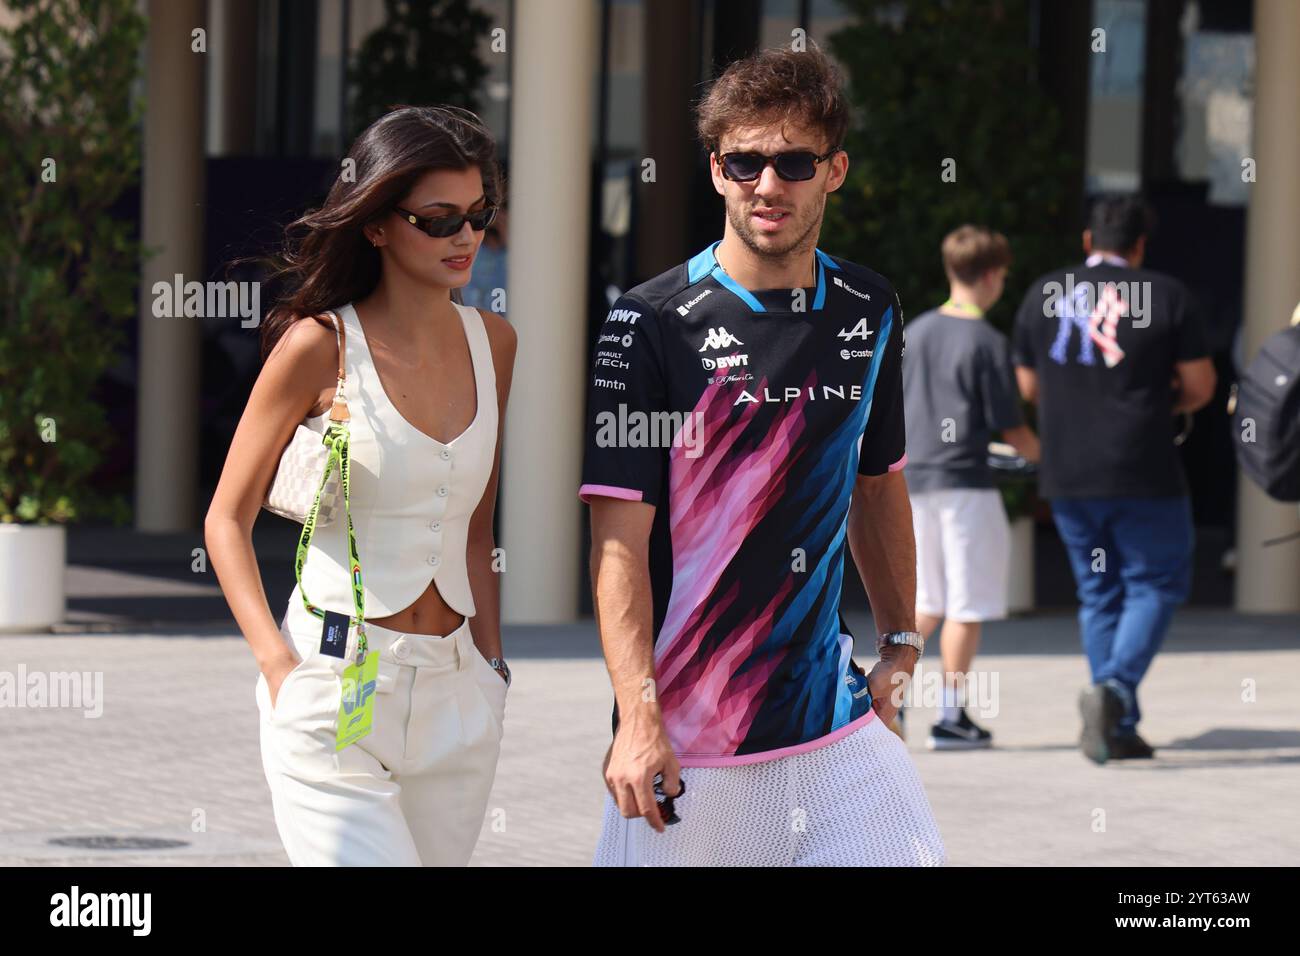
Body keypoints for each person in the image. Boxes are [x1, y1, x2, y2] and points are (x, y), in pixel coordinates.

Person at [579, 46, 945, 866]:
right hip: (687, 746)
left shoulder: (870, 305)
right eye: (744, 161)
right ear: (716, 172)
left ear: (834, 170)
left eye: (792, 161)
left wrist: (902, 644)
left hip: (835, 729)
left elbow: (879, 483)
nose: (767, 184)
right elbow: (618, 545)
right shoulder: (647, 323)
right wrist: (637, 719)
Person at [204, 106, 517, 864]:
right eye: (439, 219)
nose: (465, 238)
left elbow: (476, 525)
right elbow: (225, 519)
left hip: (456, 694)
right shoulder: (318, 345)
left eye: (478, 216)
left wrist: (492, 666)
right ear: (376, 224)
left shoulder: (495, 343)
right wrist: (281, 671)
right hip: (338, 686)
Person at [1011, 193, 1215, 764]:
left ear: (1086, 241)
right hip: (1143, 468)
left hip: (1068, 470)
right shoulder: (1168, 295)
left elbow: (1027, 387)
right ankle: (1117, 692)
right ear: (1140, 246)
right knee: (1156, 584)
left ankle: (1115, 726)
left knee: (1099, 592)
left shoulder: (1044, 293)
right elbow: (1199, 386)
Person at [902, 225, 1040, 750]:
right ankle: (952, 717)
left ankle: (887, 701)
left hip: (913, 482)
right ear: (989, 275)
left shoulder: (915, 330)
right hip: (967, 486)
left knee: (923, 605)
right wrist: (1042, 455)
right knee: (965, 605)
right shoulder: (987, 340)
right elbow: (1013, 428)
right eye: (1002, 274)